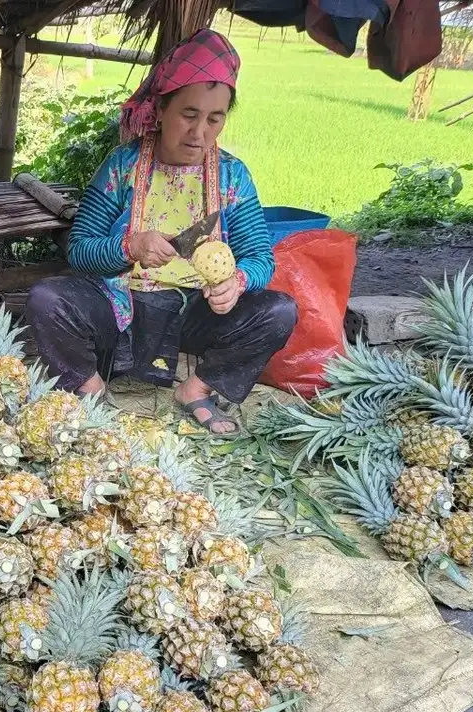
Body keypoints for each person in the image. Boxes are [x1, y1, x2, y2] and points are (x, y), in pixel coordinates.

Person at [26, 29, 297, 435]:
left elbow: (260, 256)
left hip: (195, 311)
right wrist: (128, 247)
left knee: (279, 311)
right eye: (189, 114)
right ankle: (88, 386)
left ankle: (197, 389)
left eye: (215, 119)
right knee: (47, 299)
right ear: (162, 108)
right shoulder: (123, 165)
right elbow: (80, 250)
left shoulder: (232, 176)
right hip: (121, 306)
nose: (199, 133)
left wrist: (238, 282)